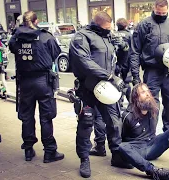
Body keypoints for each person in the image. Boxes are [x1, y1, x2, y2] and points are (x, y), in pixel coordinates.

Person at [69, 11, 132, 178]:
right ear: (97, 24)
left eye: (110, 29)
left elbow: (120, 61)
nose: (109, 31)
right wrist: (110, 76)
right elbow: (84, 62)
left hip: (107, 89)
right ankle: (84, 159)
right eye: (106, 28)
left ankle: (117, 155)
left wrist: (124, 48)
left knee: (114, 122)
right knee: (86, 123)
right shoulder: (81, 37)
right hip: (88, 88)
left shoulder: (108, 37)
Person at [9, 11, 64, 163]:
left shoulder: (16, 37)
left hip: (25, 82)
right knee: (46, 117)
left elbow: (12, 48)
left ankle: (28, 150)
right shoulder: (46, 36)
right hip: (43, 82)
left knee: (27, 116)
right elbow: (55, 53)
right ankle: (49, 152)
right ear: (37, 21)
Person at [130, 0, 169, 131]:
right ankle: (149, 133)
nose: (161, 15)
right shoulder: (144, 25)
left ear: (168, 10)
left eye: (164, 13)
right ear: (154, 9)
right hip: (152, 70)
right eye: (158, 12)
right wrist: (135, 76)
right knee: (150, 103)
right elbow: (135, 51)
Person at [113, 18, 132, 108]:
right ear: (126, 25)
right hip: (127, 62)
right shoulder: (129, 35)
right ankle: (131, 102)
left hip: (116, 62)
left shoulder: (113, 35)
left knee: (117, 82)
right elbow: (133, 49)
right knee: (126, 82)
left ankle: (119, 102)